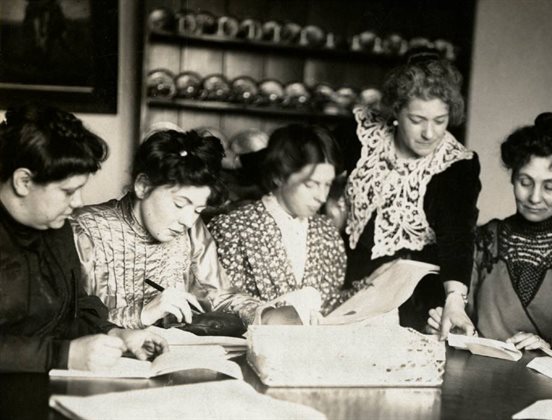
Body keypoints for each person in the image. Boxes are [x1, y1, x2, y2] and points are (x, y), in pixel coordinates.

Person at [427, 113, 552, 361]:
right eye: (525, 182)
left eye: (549, 186)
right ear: (512, 177)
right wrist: (442, 324)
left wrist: (550, 350)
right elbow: (462, 319)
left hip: (550, 385)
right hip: (479, 376)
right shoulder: (481, 241)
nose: (535, 197)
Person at [0, 104, 167, 372]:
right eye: (68, 191)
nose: (78, 202)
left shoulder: (57, 228)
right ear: (23, 181)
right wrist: (63, 355)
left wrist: (117, 334)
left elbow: (75, 308)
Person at [344, 52, 481, 335]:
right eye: (417, 119)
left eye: (440, 121)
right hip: (347, 286)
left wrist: (455, 301)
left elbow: (458, 237)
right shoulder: (362, 134)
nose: (429, 133)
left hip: (414, 302)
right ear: (396, 110)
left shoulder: (457, 166)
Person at [72, 129, 261, 328]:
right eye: (179, 204)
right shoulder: (84, 229)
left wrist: (262, 313)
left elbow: (219, 295)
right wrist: (143, 314)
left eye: (198, 209)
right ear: (143, 186)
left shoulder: (191, 229)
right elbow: (65, 325)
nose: (188, 220)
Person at [208, 124, 347, 324]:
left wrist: (372, 286)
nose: (322, 197)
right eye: (311, 184)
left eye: (327, 184)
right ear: (278, 176)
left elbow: (333, 303)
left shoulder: (327, 231)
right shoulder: (232, 228)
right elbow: (221, 308)